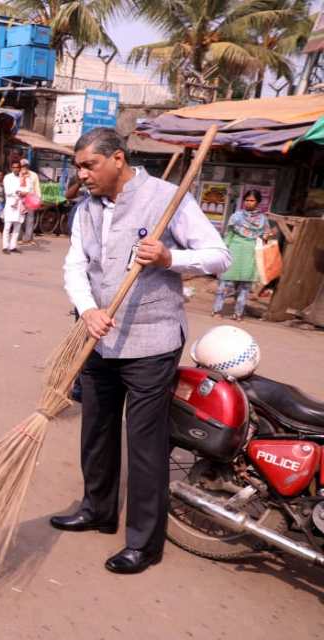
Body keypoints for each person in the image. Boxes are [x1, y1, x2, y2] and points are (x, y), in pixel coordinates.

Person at [56, 127, 230, 574]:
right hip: (98, 336)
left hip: (152, 341)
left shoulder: (166, 198)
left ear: (117, 159)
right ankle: (97, 509)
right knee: (96, 430)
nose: (83, 174)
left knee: (145, 443)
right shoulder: (87, 209)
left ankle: (144, 542)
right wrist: (88, 308)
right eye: (79, 166)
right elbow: (76, 264)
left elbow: (218, 255)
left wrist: (171, 259)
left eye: (89, 165)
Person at [213, 189, 270, 321]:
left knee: (245, 286)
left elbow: (265, 235)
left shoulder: (262, 220)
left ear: (258, 202)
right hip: (235, 250)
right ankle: (217, 310)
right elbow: (229, 234)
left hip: (250, 253)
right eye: (247, 200)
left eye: (252, 200)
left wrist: (267, 235)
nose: (249, 203)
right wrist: (223, 250)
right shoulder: (236, 217)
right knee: (225, 283)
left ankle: (238, 313)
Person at [1, 159, 28, 254]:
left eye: (17, 167)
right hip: (11, 204)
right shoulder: (7, 177)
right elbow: (8, 191)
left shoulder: (23, 178)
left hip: (20, 204)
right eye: (14, 167)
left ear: (20, 168)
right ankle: (5, 247)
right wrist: (18, 192)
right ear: (11, 168)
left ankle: (13, 246)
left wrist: (23, 193)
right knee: (7, 227)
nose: (16, 169)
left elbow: (26, 189)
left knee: (17, 227)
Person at [20, 159, 41, 244]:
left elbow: (37, 187)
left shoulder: (33, 175)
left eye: (25, 165)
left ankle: (27, 238)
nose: (24, 167)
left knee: (30, 219)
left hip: (30, 198)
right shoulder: (18, 174)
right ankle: (19, 237)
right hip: (20, 199)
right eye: (22, 166)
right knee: (20, 219)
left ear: (28, 166)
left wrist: (38, 198)